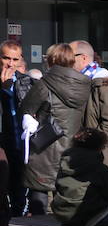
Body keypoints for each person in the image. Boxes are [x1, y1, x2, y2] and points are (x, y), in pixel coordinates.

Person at [19, 44, 94, 215]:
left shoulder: (45, 83)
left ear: (51, 60)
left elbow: (27, 108)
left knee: (39, 193)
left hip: (45, 146)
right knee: (65, 194)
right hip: (71, 147)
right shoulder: (84, 85)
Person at [51, 127, 108, 226]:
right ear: (99, 147)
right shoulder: (99, 168)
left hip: (62, 213)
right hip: (86, 215)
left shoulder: (64, 163)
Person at [1, 40, 33, 215]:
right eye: (6, 58)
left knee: (19, 184)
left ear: (20, 59)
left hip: (20, 141)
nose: (10, 63)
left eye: (14, 59)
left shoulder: (26, 81)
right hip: (3, 140)